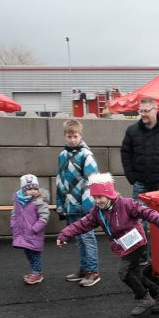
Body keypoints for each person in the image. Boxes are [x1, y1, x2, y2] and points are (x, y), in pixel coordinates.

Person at [57, 173, 159, 318]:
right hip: (124, 246)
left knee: (123, 272)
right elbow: (83, 224)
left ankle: (144, 299)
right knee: (135, 275)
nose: (97, 201)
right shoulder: (97, 212)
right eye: (94, 198)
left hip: (136, 243)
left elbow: (145, 212)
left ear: (109, 194)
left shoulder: (126, 204)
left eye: (100, 197)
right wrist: (64, 235)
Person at [120, 97, 159, 261]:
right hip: (140, 182)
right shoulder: (132, 131)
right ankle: (142, 255)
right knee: (137, 221)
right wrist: (131, 176)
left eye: (146, 111)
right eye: (140, 111)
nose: (143, 114)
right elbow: (125, 153)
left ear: (156, 110)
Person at [55, 119, 101, 287]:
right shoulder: (63, 155)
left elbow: (93, 182)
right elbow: (59, 181)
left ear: (80, 135)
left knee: (87, 238)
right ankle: (84, 269)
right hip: (70, 205)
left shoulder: (86, 156)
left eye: (75, 136)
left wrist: (88, 207)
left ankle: (93, 271)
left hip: (83, 207)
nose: (72, 139)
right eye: (69, 136)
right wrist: (60, 204)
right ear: (65, 136)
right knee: (79, 239)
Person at [11, 174, 49, 285]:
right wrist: (13, 224)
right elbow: (14, 214)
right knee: (28, 252)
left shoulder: (39, 201)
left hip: (33, 233)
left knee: (35, 253)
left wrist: (35, 229)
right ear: (23, 190)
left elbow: (44, 217)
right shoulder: (19, 201)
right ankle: (35, 272)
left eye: (35, 188)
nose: (33, 191)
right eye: (29, 189)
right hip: (22, 233)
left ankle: (37, 273)